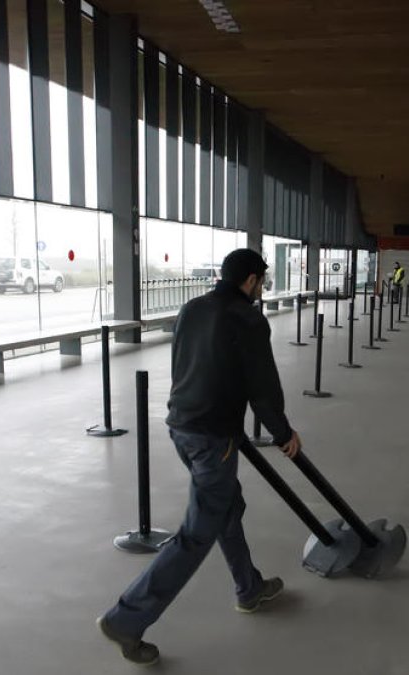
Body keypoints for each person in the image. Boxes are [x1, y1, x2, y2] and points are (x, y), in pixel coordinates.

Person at [98, 248, 302, 666]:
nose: (261, 289)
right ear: (250, 280)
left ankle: (249, 588)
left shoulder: (192, 307)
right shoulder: (247, 318)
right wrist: (283, 434)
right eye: (261, 281)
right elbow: (263, 387)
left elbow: (183, 364)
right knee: (196, 533)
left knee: (227, 506)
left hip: (181, 426)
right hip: (214, 437)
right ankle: (127, 618)